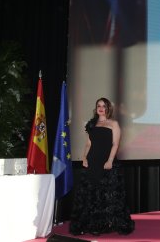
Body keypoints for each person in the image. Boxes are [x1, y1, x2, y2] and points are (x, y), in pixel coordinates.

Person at [69, 97, 135, 236]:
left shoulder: (114, 123)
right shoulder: (92, 124)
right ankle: (91, 224)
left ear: (108, 108)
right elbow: (88, 144)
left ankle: (109, 223)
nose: (101, 108)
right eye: (98, 105)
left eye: (104, 106)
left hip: (106, 163)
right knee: (91, 195)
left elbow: (115, 144)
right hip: (92, 162)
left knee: (108, 195)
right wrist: (84, 157)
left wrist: (110, 160)